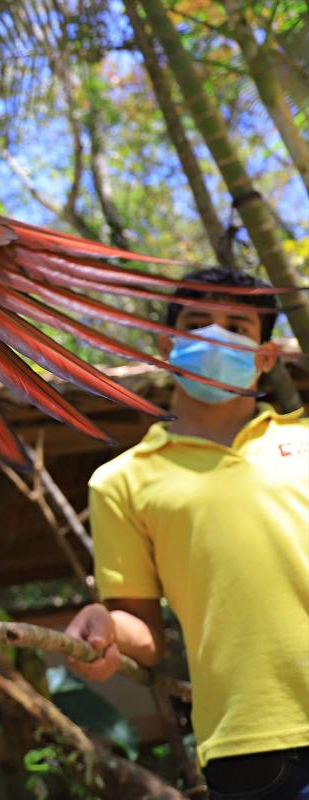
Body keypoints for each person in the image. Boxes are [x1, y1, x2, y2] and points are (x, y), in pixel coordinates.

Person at [64, 267, 309, 800]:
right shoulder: (120, 481)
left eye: (238, 326)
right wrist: (105, 624)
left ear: (266, 356)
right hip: (249, 746)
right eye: (197, 323)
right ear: (165, 344)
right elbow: (145, 636)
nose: (216, 335)